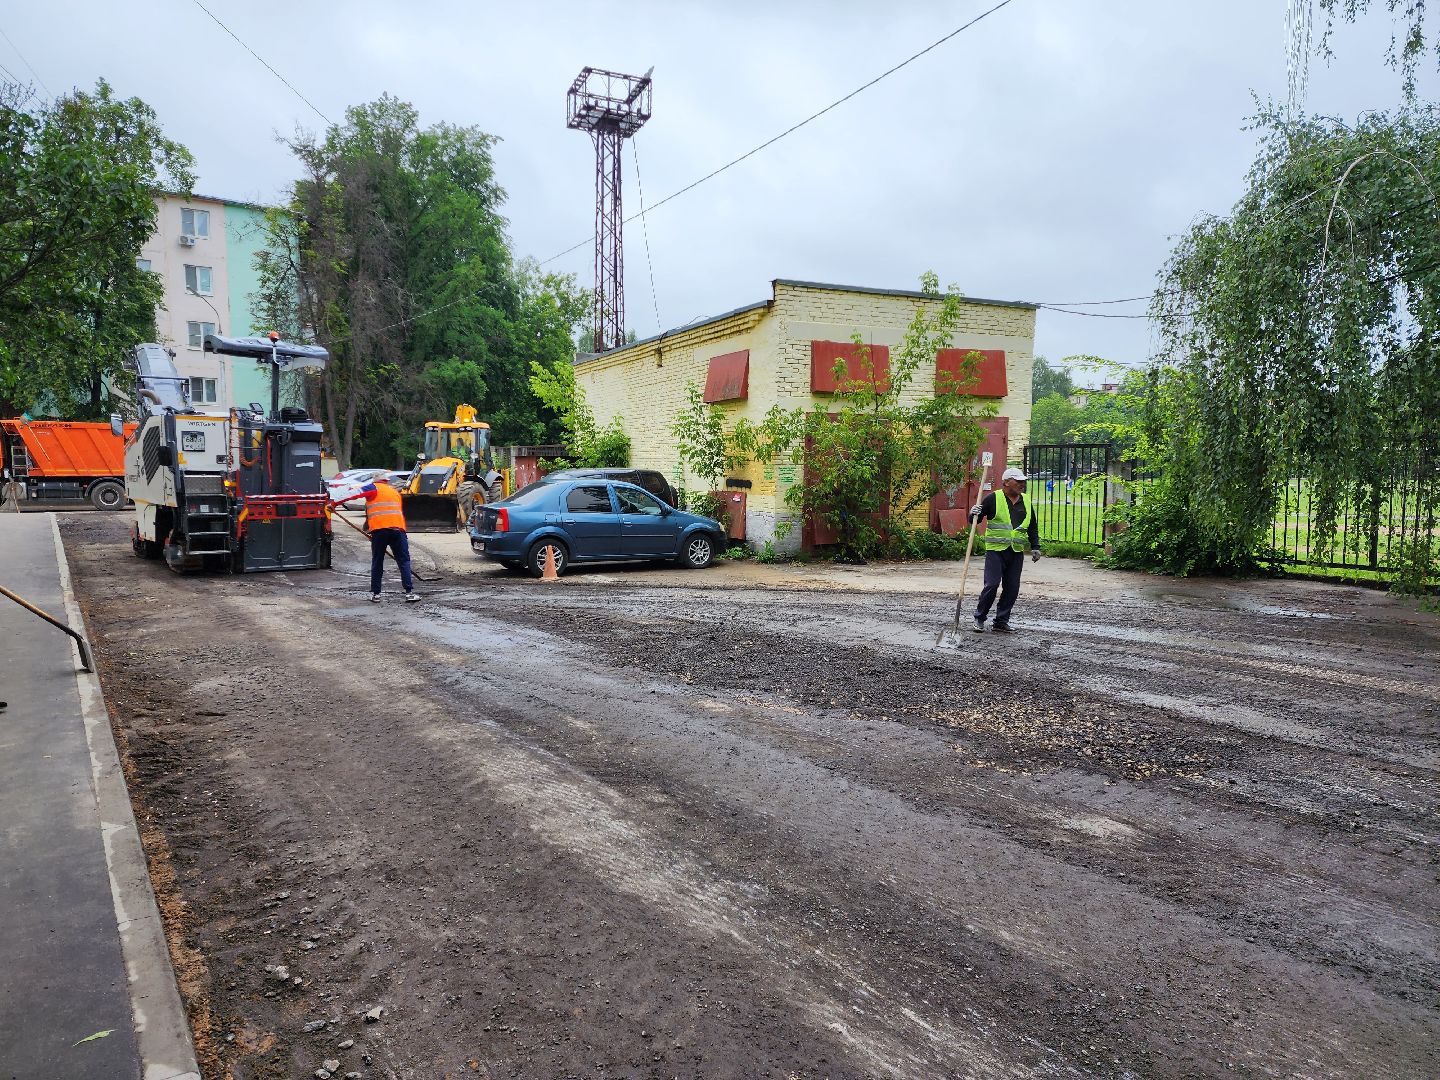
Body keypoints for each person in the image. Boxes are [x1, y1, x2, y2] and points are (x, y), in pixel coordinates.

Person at [969, 466, 1041, 633]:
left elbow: (1032, 526)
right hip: (996, 550)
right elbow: (975, 521)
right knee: (992, 584)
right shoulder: (993, 498)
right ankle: (980, 617)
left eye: (1023, 481)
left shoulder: (1027, 501)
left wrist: (1036, 547)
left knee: (1012, 587)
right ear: (1006, 482)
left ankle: (1001, 621)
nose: (1022, 484)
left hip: (1016, 551)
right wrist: (973, 513)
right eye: (1019, 481)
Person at [332, 474, 419, 604]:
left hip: (380, 531)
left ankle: (376, 594)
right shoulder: (394, 492)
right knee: (404, 561)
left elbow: (352, 494)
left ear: (375, 481)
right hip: (398, 531)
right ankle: (409, 593)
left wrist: (333, 503)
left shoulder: (373, 488)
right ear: (387, 481)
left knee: (378, 561)